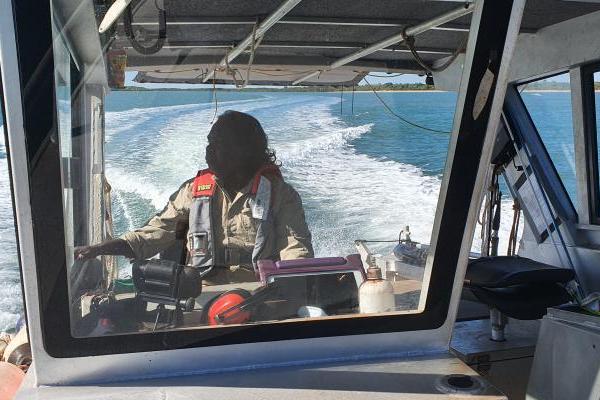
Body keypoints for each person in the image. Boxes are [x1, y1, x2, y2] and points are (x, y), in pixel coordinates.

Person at [75, 111, 314, 284]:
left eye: (219, 144)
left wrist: (292, 287)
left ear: (244, 150)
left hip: (260, 290)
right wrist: (98, 249)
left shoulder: (280, 195)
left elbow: (295, 249)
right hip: (200, 290)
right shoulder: (193, 191)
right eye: (209, 143)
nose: (209, 150)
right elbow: (156, 233)